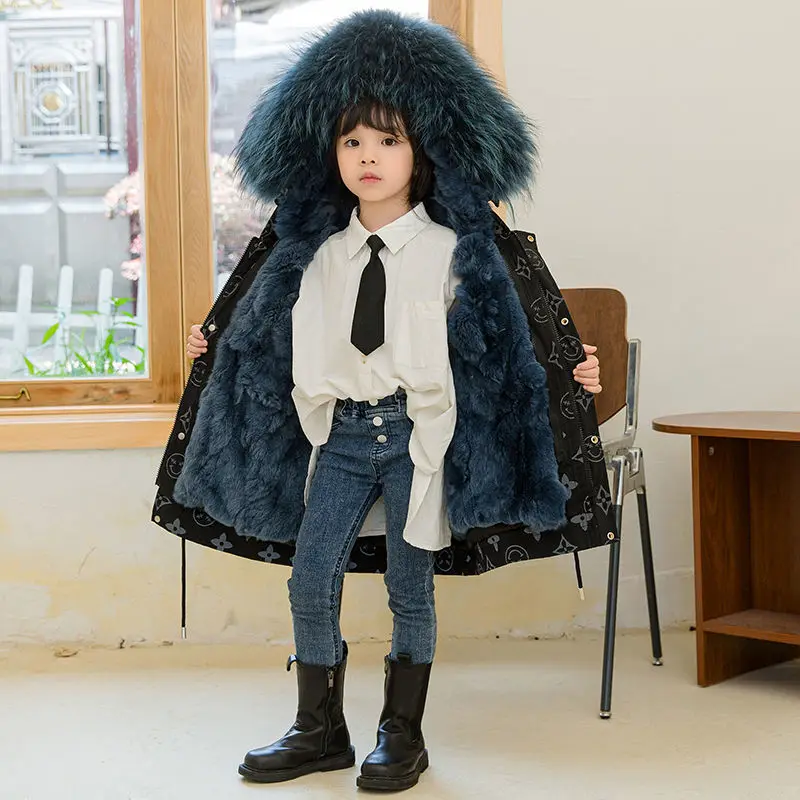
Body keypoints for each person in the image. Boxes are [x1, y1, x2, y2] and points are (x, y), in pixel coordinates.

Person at [170, 9, 605, 793]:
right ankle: (318, 728)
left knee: (411, 585)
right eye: (351, 142)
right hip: (340, 437)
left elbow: (507, 342)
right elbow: (267, 338)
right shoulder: (315, 254)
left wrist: (572, 374)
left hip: (417, 438)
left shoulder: (454, 250)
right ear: (328, 153)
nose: (368, 156)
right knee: (310, 578)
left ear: (421, 150)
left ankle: (401, 734)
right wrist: (215, 349)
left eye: (388, 140)